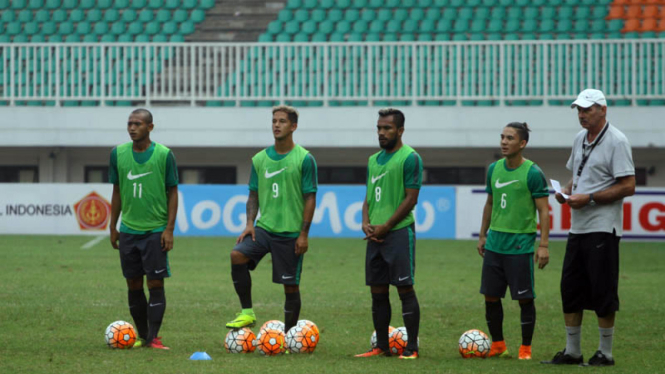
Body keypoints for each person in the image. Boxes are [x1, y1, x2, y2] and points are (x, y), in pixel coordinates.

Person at [543, 89, 635, 366]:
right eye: (579, 110)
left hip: (603, 228)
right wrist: (567, 192)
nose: (581, 115)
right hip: (578, 227)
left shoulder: (617, 141)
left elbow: (628, 185)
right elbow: (578, 175)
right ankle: (573, 352)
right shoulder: (579, 138)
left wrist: (591, 198)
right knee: (570, 289)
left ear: (602, 109)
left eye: (587, 110)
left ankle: (605, 353)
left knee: (602, 290)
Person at [226, 106, 317, 335]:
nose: (276, 125)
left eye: (282, 121)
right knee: (237, 255)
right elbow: (253, 195)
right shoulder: (259, 159)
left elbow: (310, 198)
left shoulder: (305, 159)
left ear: (293, 126)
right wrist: (249, 223)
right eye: (274, 121)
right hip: (264, 229)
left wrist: (303, 234)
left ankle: (289, 336)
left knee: (290, 286)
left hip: (290, 233)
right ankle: (247, 312)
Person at [477, 122, 550, 361]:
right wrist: (482, 234)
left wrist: (543, 245)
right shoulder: (494, 169)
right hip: (495, 243)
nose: (504, 142)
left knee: (524, 298)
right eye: (502, 137)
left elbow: (544, 211)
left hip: (520, 244)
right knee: (490, 295)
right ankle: (498, 345)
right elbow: (489, 203)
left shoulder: (533, 173)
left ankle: (525, 349)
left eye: (509, 138)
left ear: (522, 143)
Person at [355, 108, 423, 360]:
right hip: (375, 235)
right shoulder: (373, 160)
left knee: (404, 288)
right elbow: (368, 198)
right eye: (379, 128)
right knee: (378, 291)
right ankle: (381, 346)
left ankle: (412, 348)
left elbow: (411, 198)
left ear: (400, 130)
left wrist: (387, 226)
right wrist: (366, 222)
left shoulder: (410, 158)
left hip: (398, 233)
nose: (382, 133)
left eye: (387, 128)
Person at [109, 109, 179, 350]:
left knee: (155, 284)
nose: (132, 128)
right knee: (133, 284)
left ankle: (154, 338)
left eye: (137, 124)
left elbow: (173, 192)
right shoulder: (117, 154)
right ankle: (143, 335)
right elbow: (117, 191)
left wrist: (169, 229)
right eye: (129, 123)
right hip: (128, 230)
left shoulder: (164, 155)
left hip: (155, 230)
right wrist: (113, 226)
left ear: (150, 127)